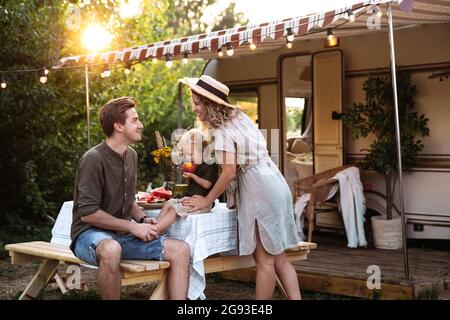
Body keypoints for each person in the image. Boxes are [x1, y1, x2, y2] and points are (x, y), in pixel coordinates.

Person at [180, 75, 301, 300]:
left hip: (259, 188)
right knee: (279, 257)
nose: (194, 108)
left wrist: (206, 201)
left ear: (209, 103)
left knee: (264, 260)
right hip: (274, 180)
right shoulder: (239, 116)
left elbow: (229, 172)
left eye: (197, 103)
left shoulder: (222, 130)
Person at [70, 97, 189, 300]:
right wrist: (133, 227)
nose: (140, 125)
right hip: (89, 235)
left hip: (121, 235)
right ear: (118, 126)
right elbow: (88, 214)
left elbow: (128, 200)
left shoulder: (131, 155)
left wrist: (142, 219)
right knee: (111, 249)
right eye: (134, 120)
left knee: (180, 250)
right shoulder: (93, 159)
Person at [153, 128, 219, 234]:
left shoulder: (210, 165)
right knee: (168, 204)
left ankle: (155, 232)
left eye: (191, 154)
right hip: (189, 198)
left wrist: (192, 176)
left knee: (175, 209)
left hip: (203, 203)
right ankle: (155, 225)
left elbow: (207, 185)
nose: (188, 158)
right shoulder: (195, 166)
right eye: (186, 155)